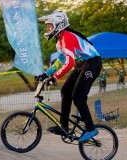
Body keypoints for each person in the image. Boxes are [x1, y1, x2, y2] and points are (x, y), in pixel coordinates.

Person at [37, 11, 102, 143]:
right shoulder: (60, 40)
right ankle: (64, 126)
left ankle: (91, 128)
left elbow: (70, 62)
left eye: (50, 26)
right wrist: (46, 74)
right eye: (48, 26)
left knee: (78, 96)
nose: (48, 29)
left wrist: (54, 78)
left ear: (59, 25)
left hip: (93, 62)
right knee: (65, 91)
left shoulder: (67, 36)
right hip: (83, 63)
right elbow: (60, 61)